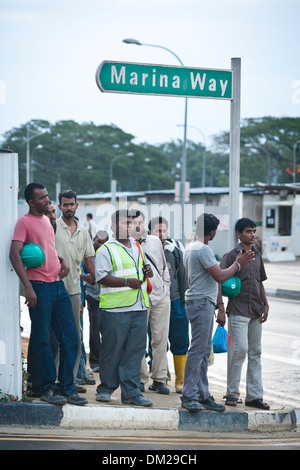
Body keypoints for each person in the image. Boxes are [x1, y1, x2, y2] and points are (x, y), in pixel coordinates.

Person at [9, 183, 87, 406]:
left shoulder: (46, 220)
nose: (47, 200)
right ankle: (44, 387)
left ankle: (67, 387)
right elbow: (14, 255)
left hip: (57, 285)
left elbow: (47, 248)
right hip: (39, 288)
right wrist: (28, 287)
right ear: (31, 202)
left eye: (46, 196)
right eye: (42, 198)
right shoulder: (24, 223)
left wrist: (60, 260)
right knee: (42, 339)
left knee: (71, 338)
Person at [181, 213, 255, 412]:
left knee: (204, 351)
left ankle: (202, 395)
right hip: (201, 302)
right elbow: (221, 276)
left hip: (199, 302)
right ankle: (189, 395)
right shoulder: (203, 249)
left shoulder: (191, 246)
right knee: (198, 351)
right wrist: (239, 263)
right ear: (212, 231)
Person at [95, 209, 153, 407]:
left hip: (139, 306)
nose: (128, 226)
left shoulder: (137, 246)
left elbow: (139, 269)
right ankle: (105, 388)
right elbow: (101, 277)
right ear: (112, 226)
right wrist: (128, 282)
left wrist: (147, 270)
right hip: (114, 309)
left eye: (130, 223)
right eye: (123, 223)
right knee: (112, 351)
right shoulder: (106, 249)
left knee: (135, 352)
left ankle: (131, 392)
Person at [218, 217, 270, 410]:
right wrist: (221, 309)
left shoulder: (257, 255)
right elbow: (218, 280)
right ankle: (232, 393)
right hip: (238, 311)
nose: (253, 235)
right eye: (249, 231)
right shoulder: (231, 256)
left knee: (256, 352)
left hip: (256, 310)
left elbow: (260, 282)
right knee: (240, 350)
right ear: (239, 234)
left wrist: (266, 304)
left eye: (254, 231)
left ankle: (255, 396)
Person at [55, 190, 95, 382]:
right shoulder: (52, 227)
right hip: (53, 287)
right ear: (59, 206)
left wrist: (94, 277)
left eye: (72, 204)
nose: (69, 207)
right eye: (65, 204)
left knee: (75, 338)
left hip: (74, 290)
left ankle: (69, 380)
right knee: (53, 337)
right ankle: (52, 380)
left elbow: (89, 259)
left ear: (77, 205)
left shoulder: (84, 231)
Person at [130, 211, 171, 395]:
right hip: (139, 297)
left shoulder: (154, 241)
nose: (138, 226)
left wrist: (165, 287)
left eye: (140, 222)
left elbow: (163, 266)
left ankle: (159, 379)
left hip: (160, 296)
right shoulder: (127, 244)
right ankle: (140, 378)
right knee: (139, 339)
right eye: (134, 223)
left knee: (160, 339)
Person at [149, 216, 189, 394]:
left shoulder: (175, 250)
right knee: (158, 340)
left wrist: (183, 300)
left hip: (175, 302)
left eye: (164, 230)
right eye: (158, 231)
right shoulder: (145, 249)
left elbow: (182, 276)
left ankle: (180, 379)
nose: (161, 234)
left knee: (180, 340)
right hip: (154, 301)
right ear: (150, 232)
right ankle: (160, 377)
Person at [83, 230, 109, 372]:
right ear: (94, 239)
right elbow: (79, 272)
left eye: (104, 243)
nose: (100, 245)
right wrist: (86, 278)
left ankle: (107, 361)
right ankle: (95, 361)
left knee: (108, 330)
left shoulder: (108, 253)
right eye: (99, 242)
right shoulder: (87, 253)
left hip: (108, 296)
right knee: (94, 329)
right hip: (92, 296)